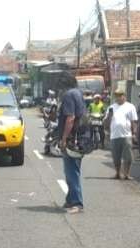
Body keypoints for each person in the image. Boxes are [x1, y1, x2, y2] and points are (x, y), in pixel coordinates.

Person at [57, 71, 88, 214]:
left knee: (71, 171)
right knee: (71, 170)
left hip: (72, 138)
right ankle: (70, 200)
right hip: (80, 137)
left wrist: (64, 139)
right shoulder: (78, 93)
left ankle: (77, 203)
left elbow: (70, 118)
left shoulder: (69, 95)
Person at [105, 88, 138, 180]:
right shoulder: (111, 107)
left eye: (120, 95)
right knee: (116, 157)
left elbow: (134, 121)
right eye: (116, 96)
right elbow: (106, 123)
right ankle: (117, 173)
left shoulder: (130, 107)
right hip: (114, 135)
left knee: (128, 157)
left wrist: (134, 133)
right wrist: (109, 116)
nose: (118, 98)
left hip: (126, 135)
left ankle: (126, 174)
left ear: (124, 96)